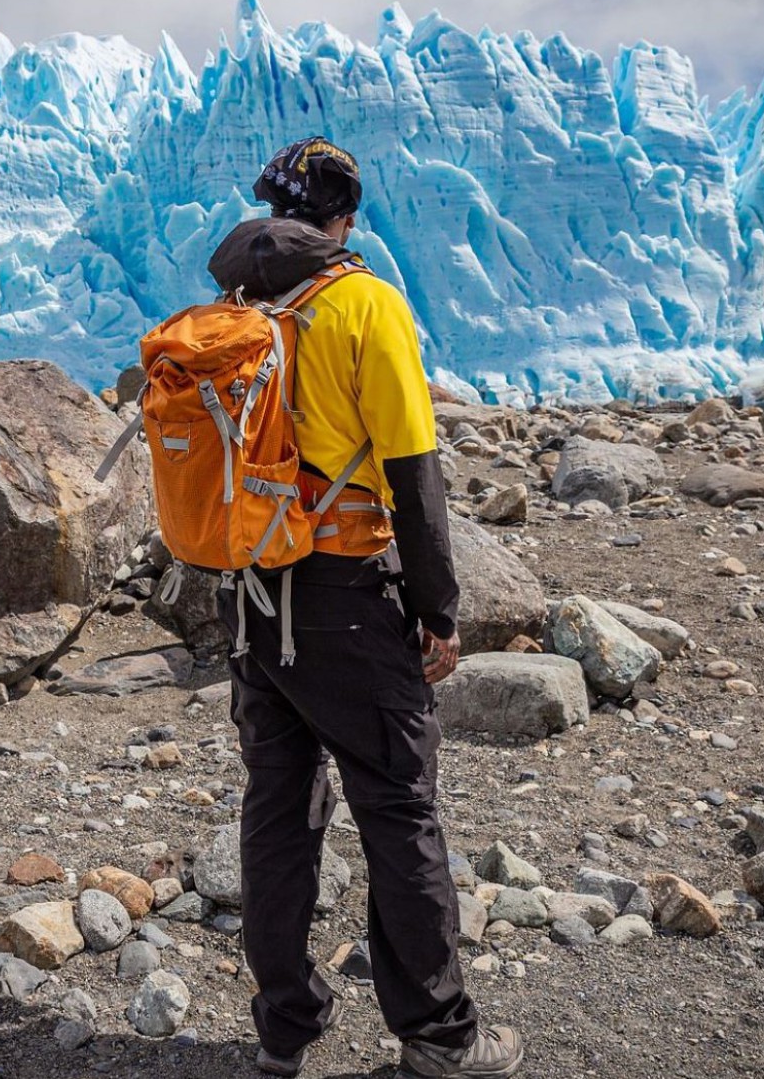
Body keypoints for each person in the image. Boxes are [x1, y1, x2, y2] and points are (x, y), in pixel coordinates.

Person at [205, 137, 524, 1078]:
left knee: (276, 814)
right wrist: (439, 610)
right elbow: (412, 471)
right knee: (397, 809)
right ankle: (438, 1035)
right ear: (345, 221)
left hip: (254, 599)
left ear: (270, 207)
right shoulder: (363, 303)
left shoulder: (236, 308)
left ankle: (283, 1032)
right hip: (346, 596)